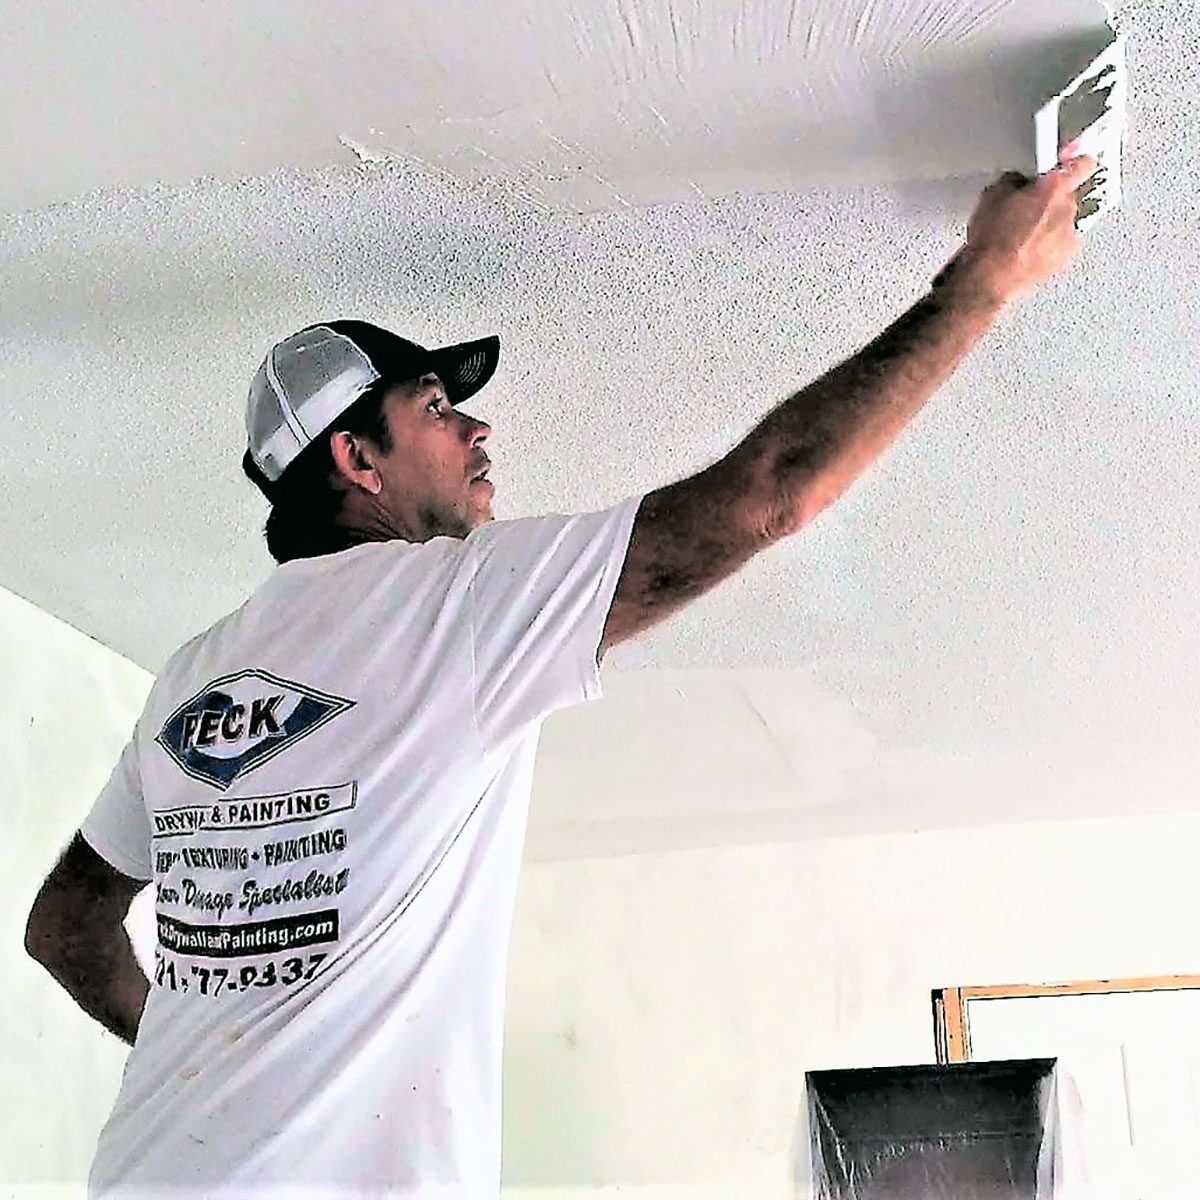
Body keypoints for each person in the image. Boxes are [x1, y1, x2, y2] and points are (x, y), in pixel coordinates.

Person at [24, 159, 1095, 1198]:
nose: (477, 428)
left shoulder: (190, 679)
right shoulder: (454, 604)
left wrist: (192, 1057)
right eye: (438, 406)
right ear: (358, 461)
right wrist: (981, 285)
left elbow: (66, 924)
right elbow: (766, 496)